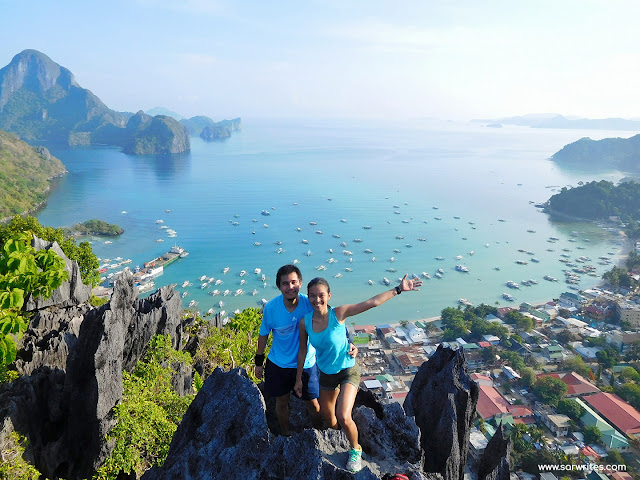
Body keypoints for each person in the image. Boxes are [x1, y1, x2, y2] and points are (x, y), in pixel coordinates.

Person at [294, 274, 422, 473]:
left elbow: (370, 303)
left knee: (343, 416)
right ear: (308, 297)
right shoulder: (305, 323)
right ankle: (339, 437)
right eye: (312, 296)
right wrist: (298, 379)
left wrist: (397, 289)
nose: (317, 300)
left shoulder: (339, 313)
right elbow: (302, 350)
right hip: (326, 374)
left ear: (329, 296)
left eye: (321, 295)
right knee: (328, 418)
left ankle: (355, 449)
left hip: (348, 371)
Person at [255, 264, 357, 436]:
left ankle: (319, 436)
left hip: (307, 363)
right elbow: (263, 335)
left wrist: (349, 343)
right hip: (278, 363)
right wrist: (259, 362)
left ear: (300, 283)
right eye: (285, 283)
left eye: (294, 282)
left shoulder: (309, 303)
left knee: (313, 404)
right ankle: (285, 435)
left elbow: (333, 321)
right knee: (281, 402)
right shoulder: (271, 308)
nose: (290, 287)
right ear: (279, 286)